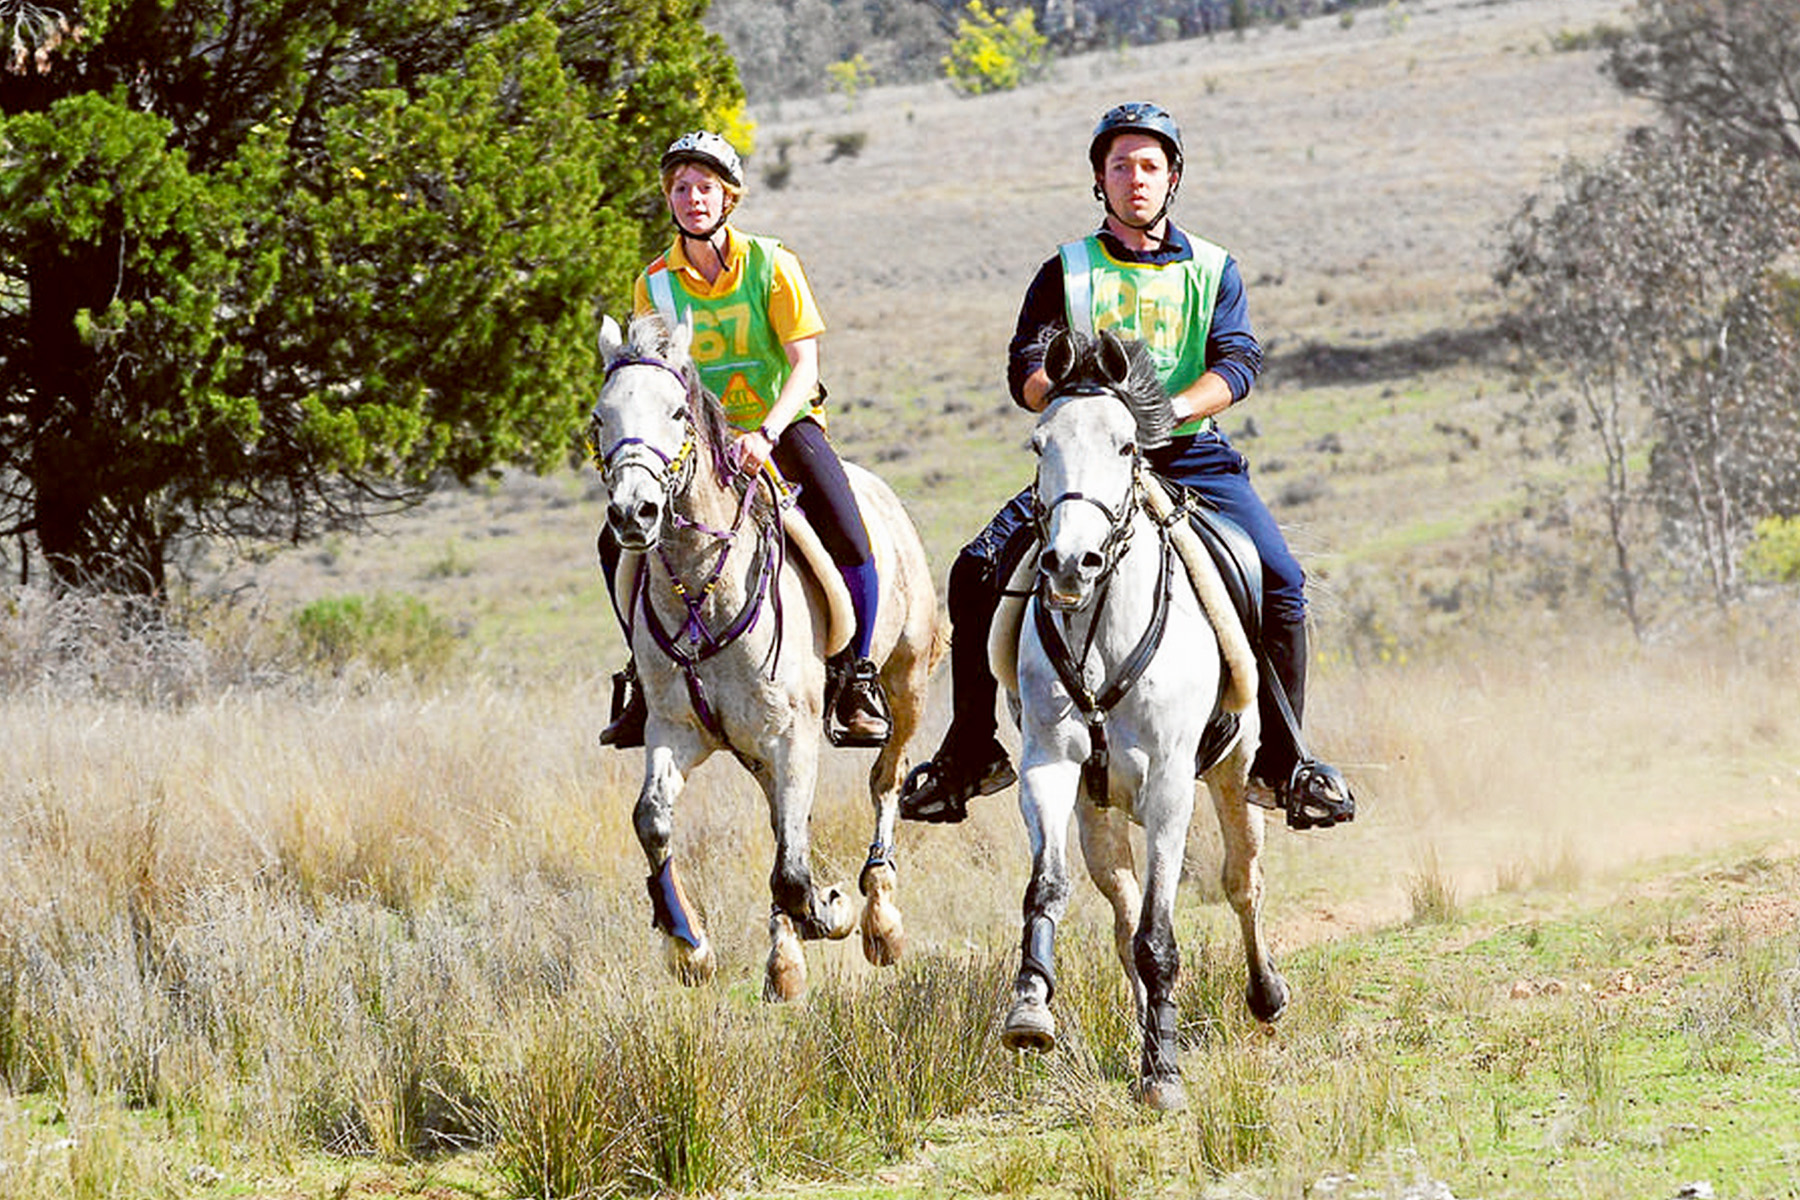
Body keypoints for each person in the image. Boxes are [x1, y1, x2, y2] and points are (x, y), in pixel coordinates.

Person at [898, 101, 1354, 829]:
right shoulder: (1065, 270)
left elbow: (1238, 363)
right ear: (1099, 181)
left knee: (1283, 581)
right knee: (975, 569)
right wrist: (1079, 403)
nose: (1134, 179)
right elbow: (1025, 372)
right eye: (1120, 166)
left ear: (1172, 177)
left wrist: (1167, 413)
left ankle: (1285, 763)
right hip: (1088, 465)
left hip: (1189, 456)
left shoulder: (1213, 267)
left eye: (1148, 165)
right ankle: (970, 751)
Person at [599, 130, 891, 749]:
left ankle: (858, 674)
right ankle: (641, 673)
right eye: (680, 188)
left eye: (705, 187)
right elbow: (653, 373)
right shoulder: (653, 282)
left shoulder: (772, 264)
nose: (692, 198)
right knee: (614, 541)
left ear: (728, 198)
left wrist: (765, 432)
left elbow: (804, 365)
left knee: (847, 530)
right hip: (695, 444)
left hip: (780, 427)